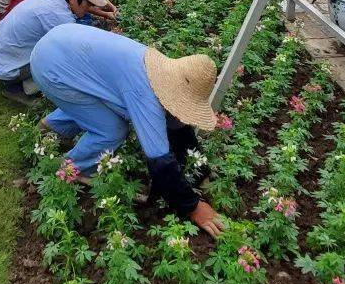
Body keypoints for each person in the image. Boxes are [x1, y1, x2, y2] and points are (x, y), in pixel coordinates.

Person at [29, 25, 223, 236]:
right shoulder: (145, 94)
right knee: (112, 130)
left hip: (61, 44)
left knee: (103, 94)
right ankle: (74, 168)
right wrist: (193, 206)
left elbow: (177, 126)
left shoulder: (156, 69)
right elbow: (160, 161)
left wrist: (201, 172)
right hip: (51, 68)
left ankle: (53, 126)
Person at [0, 0, 114, 101]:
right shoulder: (59, 17)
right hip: (8, 69)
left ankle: (13, 81)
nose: (90, 8)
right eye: (88, 4)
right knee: (65, 63)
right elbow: (76, 53)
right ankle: (18, 88)